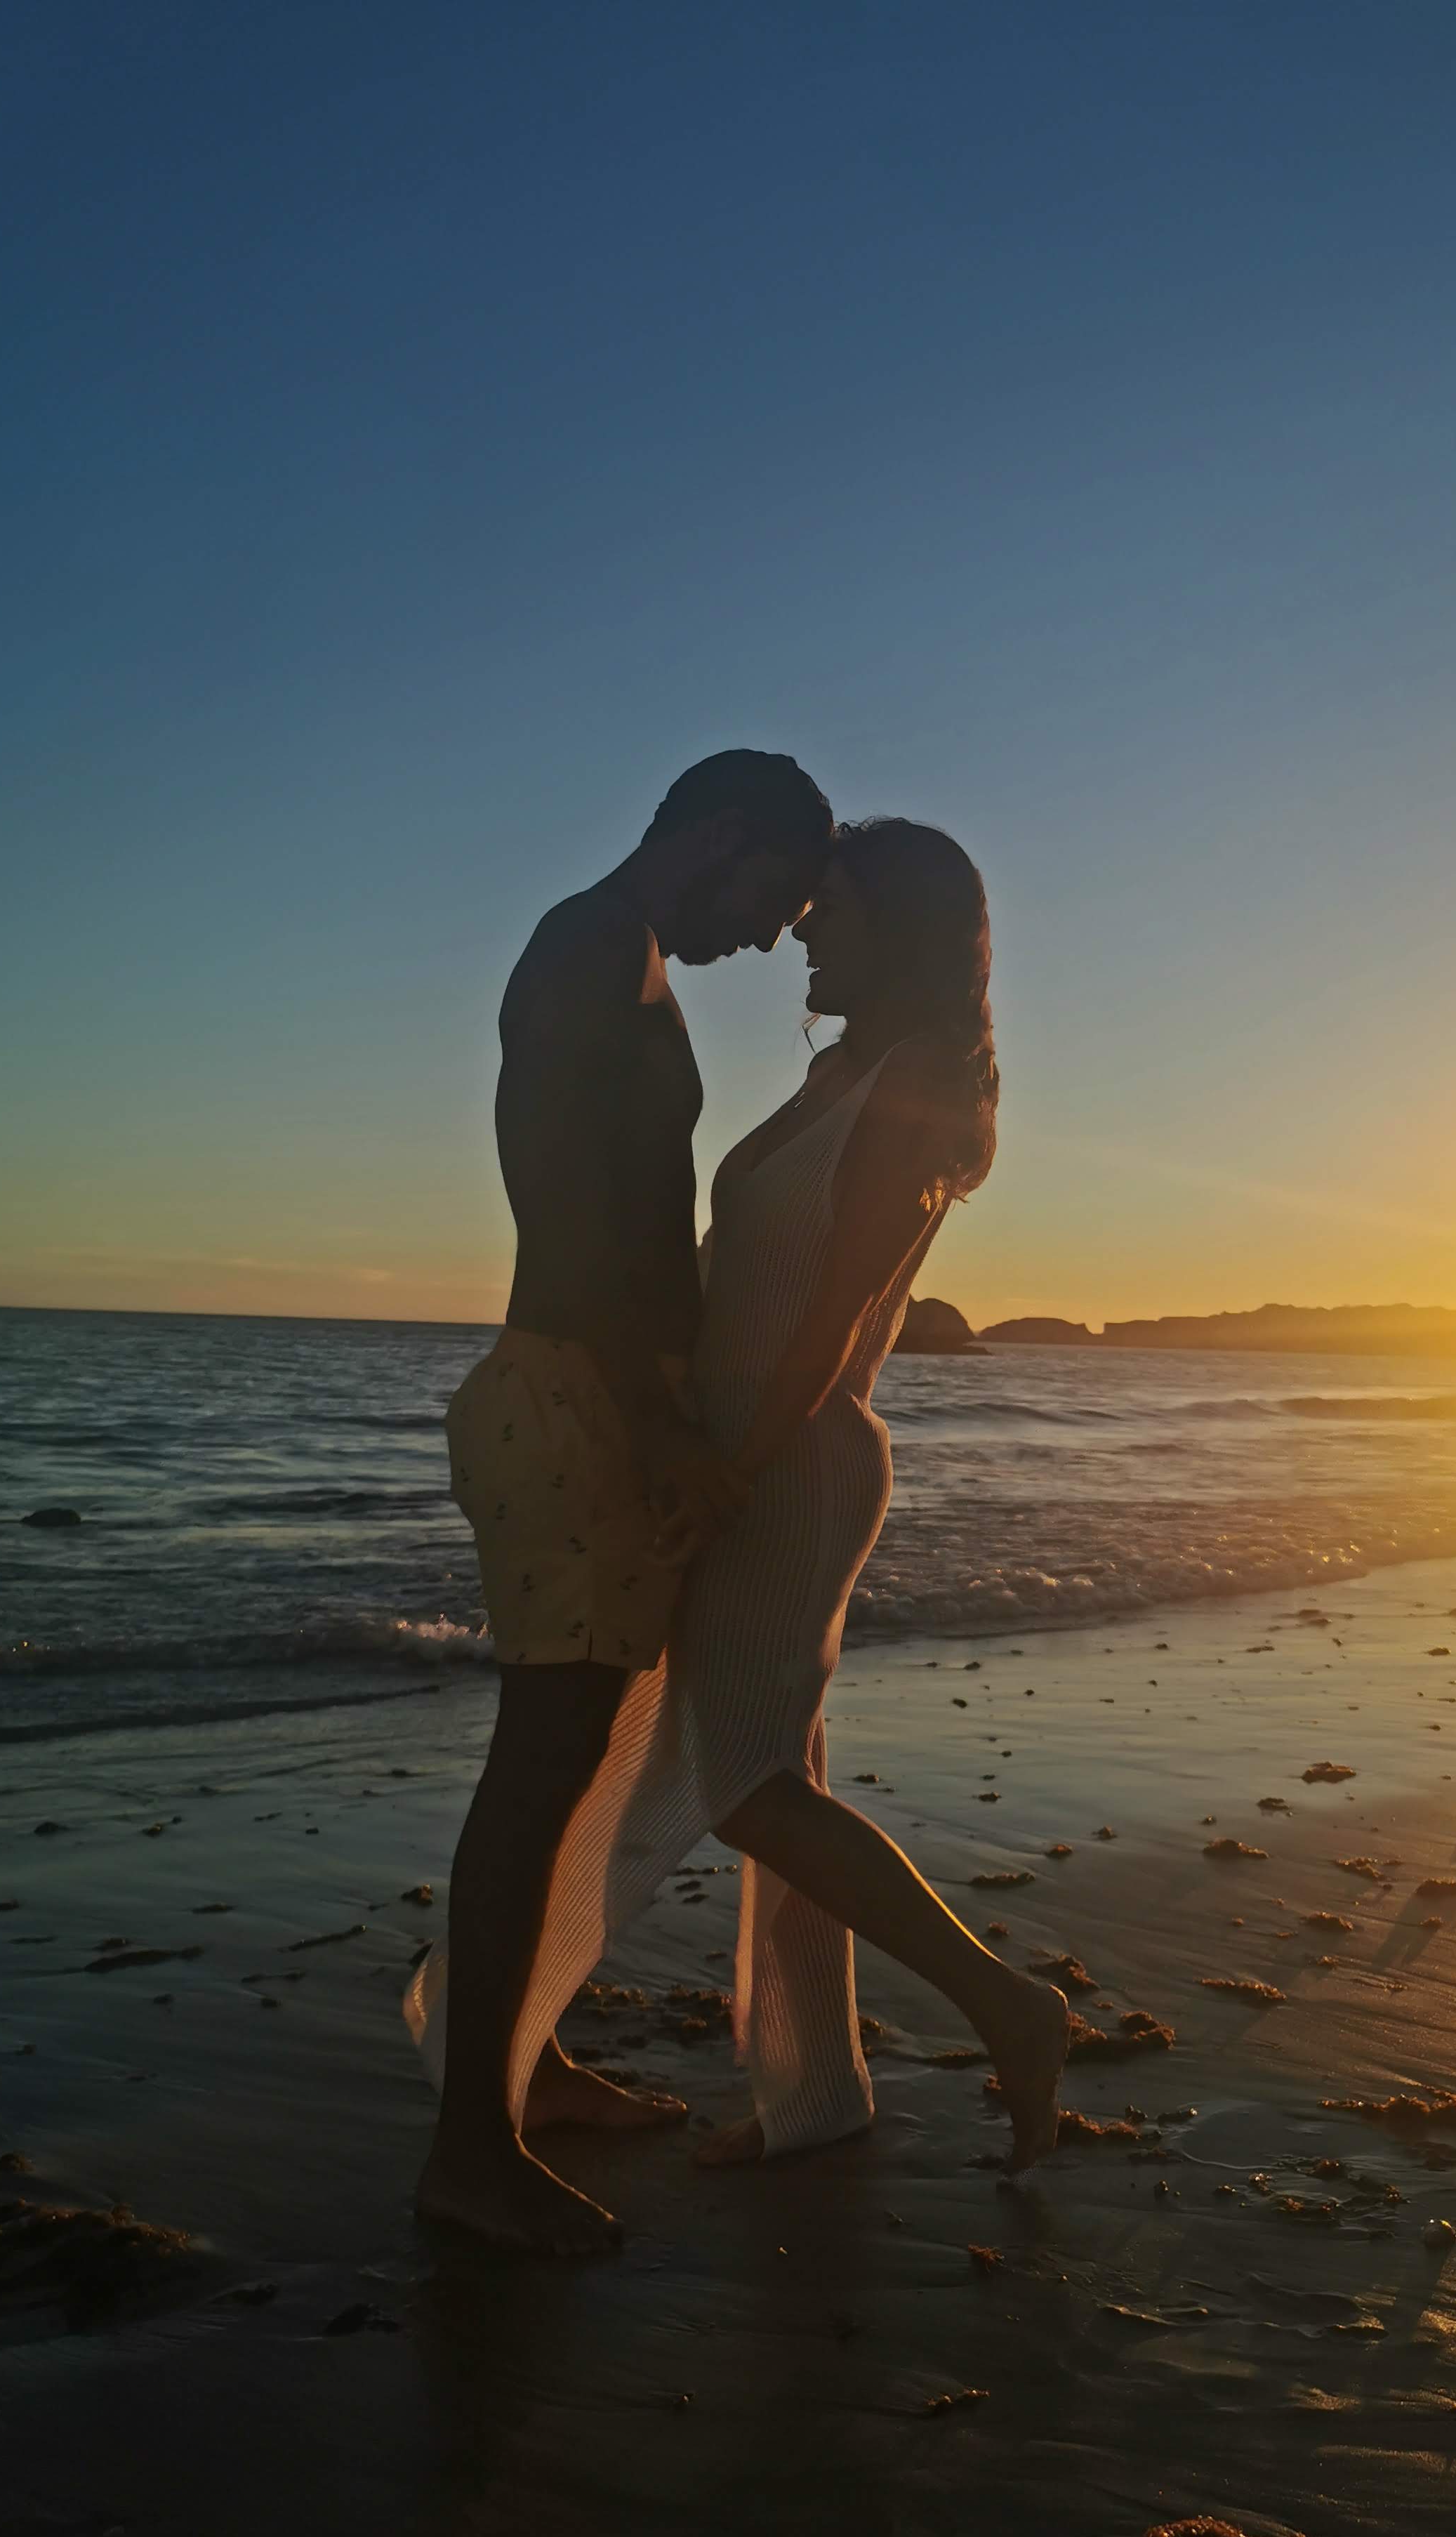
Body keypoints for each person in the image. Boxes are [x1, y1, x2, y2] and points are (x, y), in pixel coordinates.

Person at [579, 818, 1071, 2187]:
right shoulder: (852, 1067)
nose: (803, 929)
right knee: (775, 1781)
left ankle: (1007, 2009)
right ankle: (816, 2092)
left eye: (832, 910)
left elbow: (836, 1304)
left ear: (899, 930)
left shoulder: (919, 1082)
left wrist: (737, 1462)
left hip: (792, 1463)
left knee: (747, 1793)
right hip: (747, 1448)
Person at [406, 749, 834, 2253]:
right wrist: (655, 1419)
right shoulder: (595, 945)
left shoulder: (623, 952)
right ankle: (472, 2148)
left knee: (570, 1760)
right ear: (719, 836)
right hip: (576, 1396)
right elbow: (582, 1212)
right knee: (540, 1767)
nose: (778, 938)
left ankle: (527, 2067)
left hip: (591, 1392)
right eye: (776, 896)